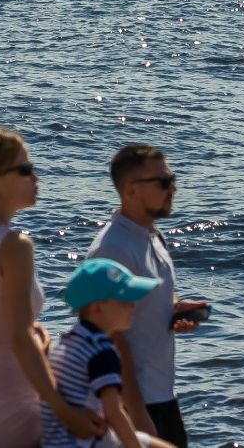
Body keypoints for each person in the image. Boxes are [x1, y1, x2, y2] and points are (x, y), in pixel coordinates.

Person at [0, 127, 104, 448]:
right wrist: (65, 412)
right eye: (24, 170)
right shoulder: (13, 245)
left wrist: (32, 329)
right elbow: (19, 338)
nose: (35, 177)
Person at [87, 145, 208, 446]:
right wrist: (137, 415)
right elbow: (111, 338)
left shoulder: (151, 236)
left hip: (162, 394)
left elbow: (148, 302)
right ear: (131, 190)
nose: (173, 188)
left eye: (172, 178)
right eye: (163, 182)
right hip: (135, 400)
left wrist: (175, 310)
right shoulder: (113, 248)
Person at [44, 259, 177, 448]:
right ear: (97, 308)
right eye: (125, 300)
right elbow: (114, 413)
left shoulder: (73, 339)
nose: (133, 306)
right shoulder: (101, 351)